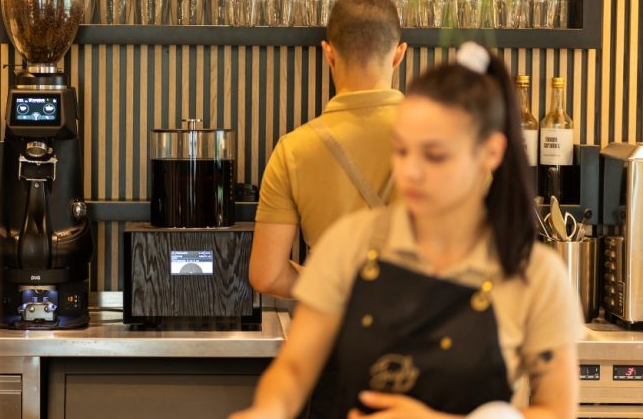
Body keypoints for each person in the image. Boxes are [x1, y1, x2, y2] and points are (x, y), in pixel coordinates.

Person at [231, 43, 584, 419]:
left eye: (434, 155)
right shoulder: (349, 243)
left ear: (491, 153)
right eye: (401, 150)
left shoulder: (536, 275)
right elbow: (294, 369)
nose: (410, 171)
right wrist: (268, 409)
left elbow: (556, 411)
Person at [250, 0, 407, 299]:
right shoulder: (450, 142)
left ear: (329, 54)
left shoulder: (293, 150)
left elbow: (266, 276)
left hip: (336, 338)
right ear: (399, 54)